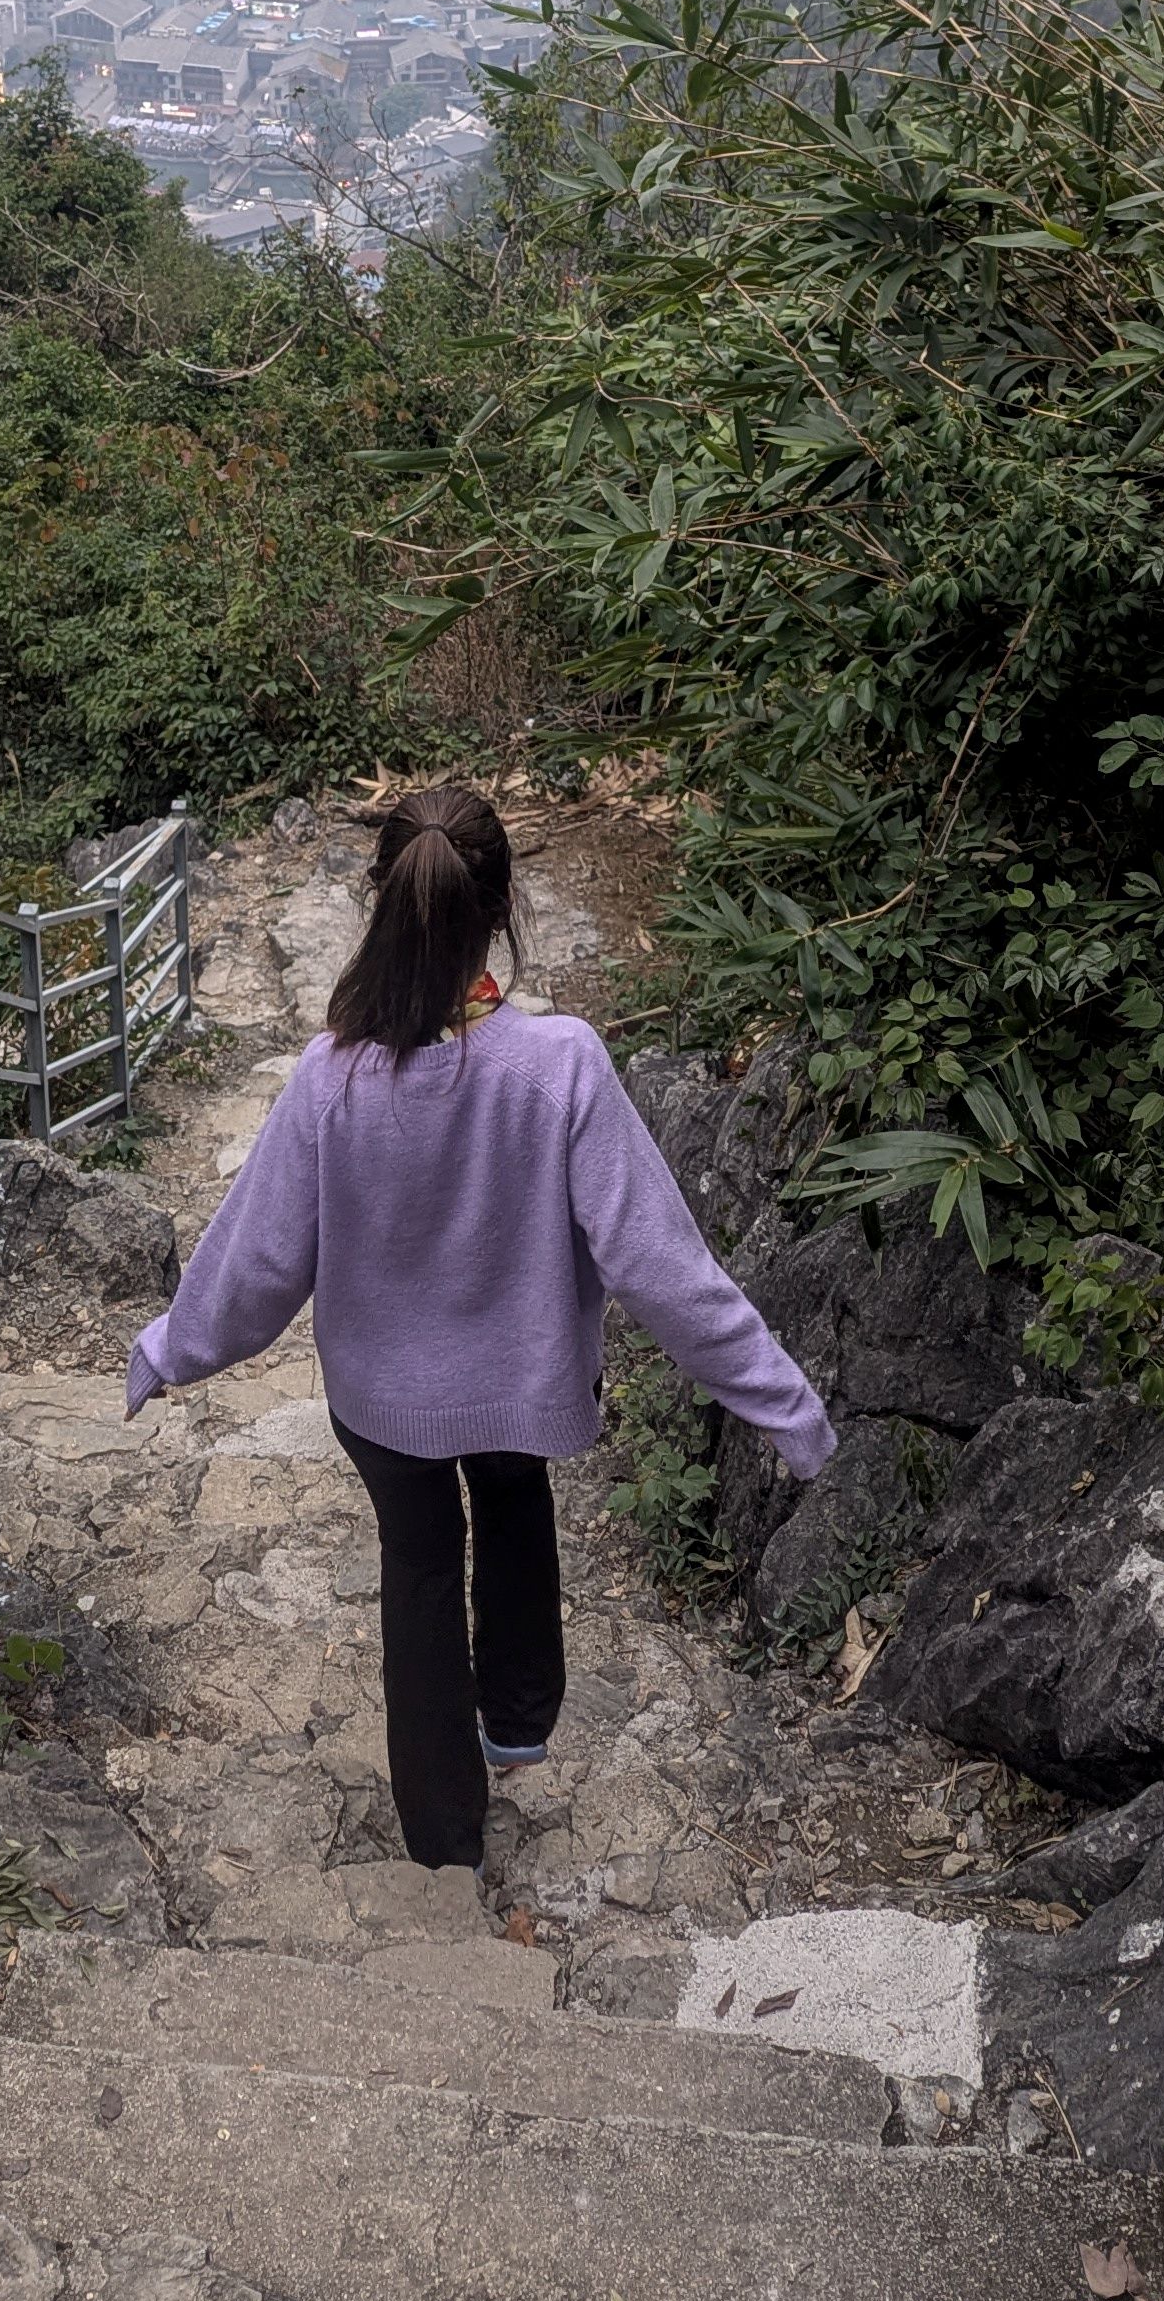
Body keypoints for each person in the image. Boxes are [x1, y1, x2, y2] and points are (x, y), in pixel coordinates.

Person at [126, 780, 835, 1873]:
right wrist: (784, 1404)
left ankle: (442, 1838)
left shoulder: (332, 1078)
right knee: (512, 1498)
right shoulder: (563, 1066)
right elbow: (661, 1268)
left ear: (380, 904)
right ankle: (518, 1721)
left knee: (416, 1569)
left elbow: (259, 1264)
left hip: (381, 1400)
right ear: (503, 910)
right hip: (519, 1385)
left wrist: (168, 1350)